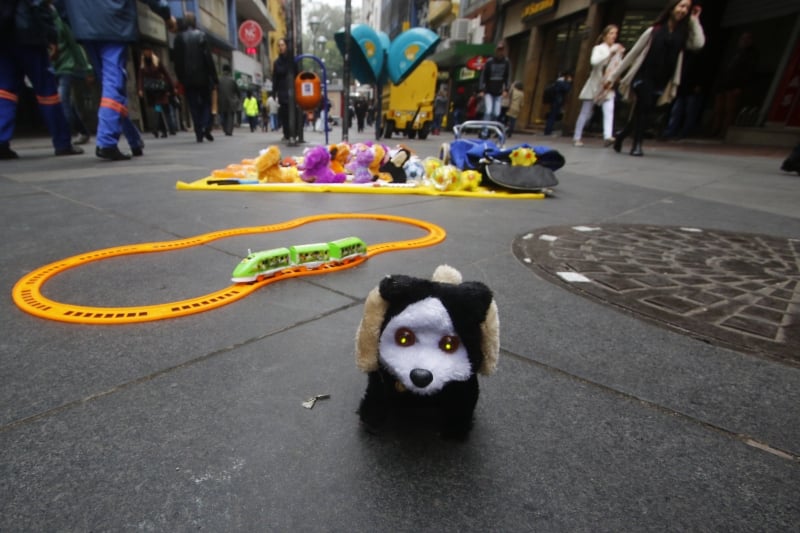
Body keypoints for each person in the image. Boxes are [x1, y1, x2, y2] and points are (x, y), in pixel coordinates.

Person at [62, 0, 174, 161]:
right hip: (113, 21)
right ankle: (106, 141)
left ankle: (134, 139)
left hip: (83, 22)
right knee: (113, 83)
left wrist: (72, 17)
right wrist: (166, 15)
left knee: (110, 87)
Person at [608, 0, 705, 156]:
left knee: (644, 110)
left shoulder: (682, 35)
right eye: (681, 6)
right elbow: (633, 53)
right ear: (672, 8)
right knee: (644, 106)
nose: (683, 10)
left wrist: (694, 20)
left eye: (687, 8)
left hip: (662, 80)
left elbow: (698, 44)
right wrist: (613, 76)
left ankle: (622, 135)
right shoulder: (654, 31)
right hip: (643, 76)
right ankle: (637, 145)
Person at [0, 0, 84, 160]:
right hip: (29, 37)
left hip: (3, 38)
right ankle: (62, 143)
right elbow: (39, 5)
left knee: (5, 91)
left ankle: (1, 142)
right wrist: (51, 37)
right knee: (47, 92)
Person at [572, 25, 625, 147]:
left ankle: (607, 136)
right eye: (611, 33)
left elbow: (619, 66)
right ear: (605, 35)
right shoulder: (599, 48)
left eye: (615, 33)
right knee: (585, 112)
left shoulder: (616, 49)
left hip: (607, 85)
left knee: (609, 110)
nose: (614, 36)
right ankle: (577, 136)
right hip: (595, 84)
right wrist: (610, 53)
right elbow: (594, 62)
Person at [51, 3, 93, 146]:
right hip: (52, 69)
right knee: (66, 103)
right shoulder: (40, 23)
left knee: (62, 100)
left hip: (66, 67)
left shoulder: (61, 23)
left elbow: (76, 48)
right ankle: (83, 131)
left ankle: (65, 139)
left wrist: (87, 69)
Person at [173, 12, 218, 143]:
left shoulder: (179, 38)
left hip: (187, 78)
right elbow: (208, 58)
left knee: (193, 105)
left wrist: (180, 78)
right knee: (206, 103)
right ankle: (204, 125)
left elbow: (177, 61)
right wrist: (213, 77)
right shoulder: (201, 36)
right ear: (194, 22)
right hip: (203, 77)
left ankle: (199, 131)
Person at [709, 30, 757, 139]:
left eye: (747, 39)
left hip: (734, 86)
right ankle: (715, 129)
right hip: (723, 84)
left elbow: (748, 72)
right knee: (718, 109)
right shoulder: (735, 53)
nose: (744, 41)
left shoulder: (751, 55)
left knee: (729, 110)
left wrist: (740, 86)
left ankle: (724, 132)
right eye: (742, 39)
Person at [137, 47, 173, 139]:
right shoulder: (143, 63)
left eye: (148, 51)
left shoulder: (156, 61)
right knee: (157, 109)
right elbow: (140, 77)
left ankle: (157, 129)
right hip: (150, 90)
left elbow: (166, 74)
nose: (147, 53)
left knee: (158, 108)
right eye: (145, 51)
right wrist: (140, 89)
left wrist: (170, 87)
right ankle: (162, 129)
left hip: (159, 89)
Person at [478, 41, 511, 135]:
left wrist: (506, 89)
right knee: (488, 111)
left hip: (499, 91)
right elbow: (484, 76)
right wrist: (482, 89)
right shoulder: (490, 62)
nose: (500, 52)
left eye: (501, 50)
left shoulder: (506, 62)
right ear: (496, 51)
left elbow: (507, 76)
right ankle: (484, 131)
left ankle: (490, 128)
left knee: (496, 113)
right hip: (488, 91)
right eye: (498, 50)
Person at [272, 38, 293, 141]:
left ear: (287, 46)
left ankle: (293, 132)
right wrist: (274, 92)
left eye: (282, 45)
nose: (281, 47)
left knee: (292, 111)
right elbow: (275, 77)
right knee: (284, 113)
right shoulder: (277, 62)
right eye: (279, 45)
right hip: (282, 91)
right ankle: (286, 133)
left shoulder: (292, 60)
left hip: (292, 90)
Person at [543, 71, 572, 136]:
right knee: (553, 116)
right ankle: (548, 130)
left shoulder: (556, 82)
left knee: (552, 115)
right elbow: (567, 89)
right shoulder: (561, 82)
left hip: (554, 100)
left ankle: (548, 130)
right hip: (557, 101)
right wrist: (568, 82)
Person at [216, 64, 239, 136]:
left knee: (223, 115)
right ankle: (229, 131)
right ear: (229, 71)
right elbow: (237, 91)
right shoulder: (232, 80)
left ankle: (225, 128)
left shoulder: (218, 80)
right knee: (230, 116)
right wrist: (238, 99)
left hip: (221, 101)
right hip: (231, 101)